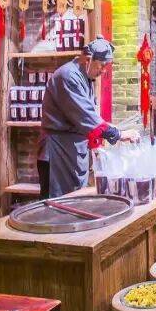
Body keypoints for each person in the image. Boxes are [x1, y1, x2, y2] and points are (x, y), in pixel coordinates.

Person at [37, 38, 139, 199]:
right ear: (87, 60)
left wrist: (113, 130)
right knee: (57, 205)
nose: (103, 71)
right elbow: (86, 117)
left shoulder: (85, 77)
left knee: (74, 202)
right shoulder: (68, 76)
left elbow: (92, 116)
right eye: (101, 65)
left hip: (73, 151)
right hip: (58, 151)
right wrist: (119, 134)